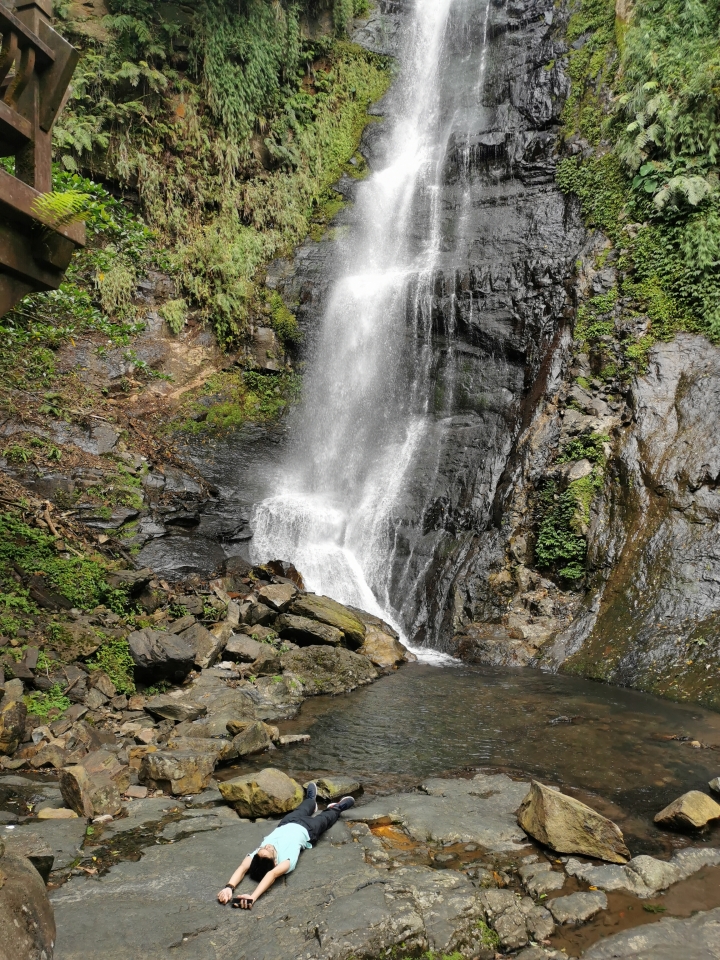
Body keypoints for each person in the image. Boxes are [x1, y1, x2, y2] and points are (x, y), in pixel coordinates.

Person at [217, 782, 355, 909]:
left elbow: (242, 868)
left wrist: (229, 887)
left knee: (305, 806)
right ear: (275, 862)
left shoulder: (259, 855)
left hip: (288, 822)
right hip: (309, 830)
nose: (266, 847)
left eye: (262, 848)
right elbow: (271, 875)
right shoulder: (286, 861)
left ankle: (311, 801)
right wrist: (252, 897)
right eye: (268, 850)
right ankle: (337, 807)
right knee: (327, 818)